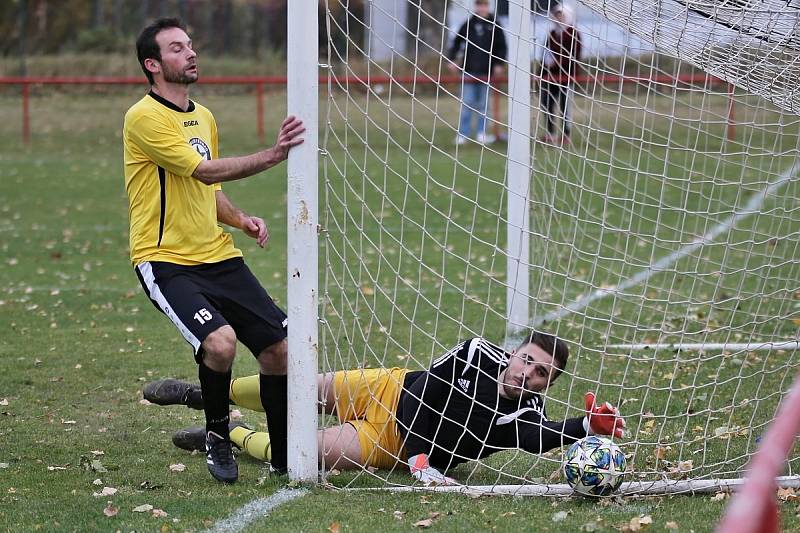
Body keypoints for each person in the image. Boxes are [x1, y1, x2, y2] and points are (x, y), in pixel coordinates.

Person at [123, 17, 305, 484]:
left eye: (191, 45)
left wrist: (240, 219)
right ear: (153, 64)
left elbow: (208, 188)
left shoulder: (203, 116)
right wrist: (273, 154)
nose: (191, 53)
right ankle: (218, 434)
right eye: (177, 48)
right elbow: (203, 171)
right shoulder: (143, 117)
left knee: (280, 349)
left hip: (219, 255)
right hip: (166, 261)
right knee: (220, 344)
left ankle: (285, 455)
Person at [144, 332, 625, 485]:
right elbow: (427, 400)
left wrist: (587, 425)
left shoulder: (526, 415)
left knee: (302, 452)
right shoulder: (477, 352)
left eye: (541, 373)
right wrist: (425, 460)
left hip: (386, 444)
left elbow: (539, 435)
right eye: (527, 359)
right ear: (516, 350)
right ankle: (204, 396)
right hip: (388, 390)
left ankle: (229, 432)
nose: (527, 373)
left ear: (547, 384)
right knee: (297, 386)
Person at [447, 0, 507, 146]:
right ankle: (463, 134)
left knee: (484, 105)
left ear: (488, 6)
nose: (482, 7)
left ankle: (482, 133)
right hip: (468, 71)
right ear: (476, 6)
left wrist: (499, 64)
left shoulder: (495, 25)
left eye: (484, 4)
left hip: (486, 72)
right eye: (479, 4)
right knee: (467, 103)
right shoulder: (468, 25)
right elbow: (456, 43)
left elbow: (502, 47)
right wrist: (452, 60)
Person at [539, 4, 583, 146]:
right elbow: (545, 55)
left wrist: (556, 63)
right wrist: (541, 72)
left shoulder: (573, 33)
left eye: (561, 15)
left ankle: (566, 135)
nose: (558, 18)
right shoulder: (551, 34)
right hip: (551, 77)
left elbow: (573, 56)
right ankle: (550, 133)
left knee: (565, 107)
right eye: (557, 15)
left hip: (566, 76)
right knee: (547, 104)